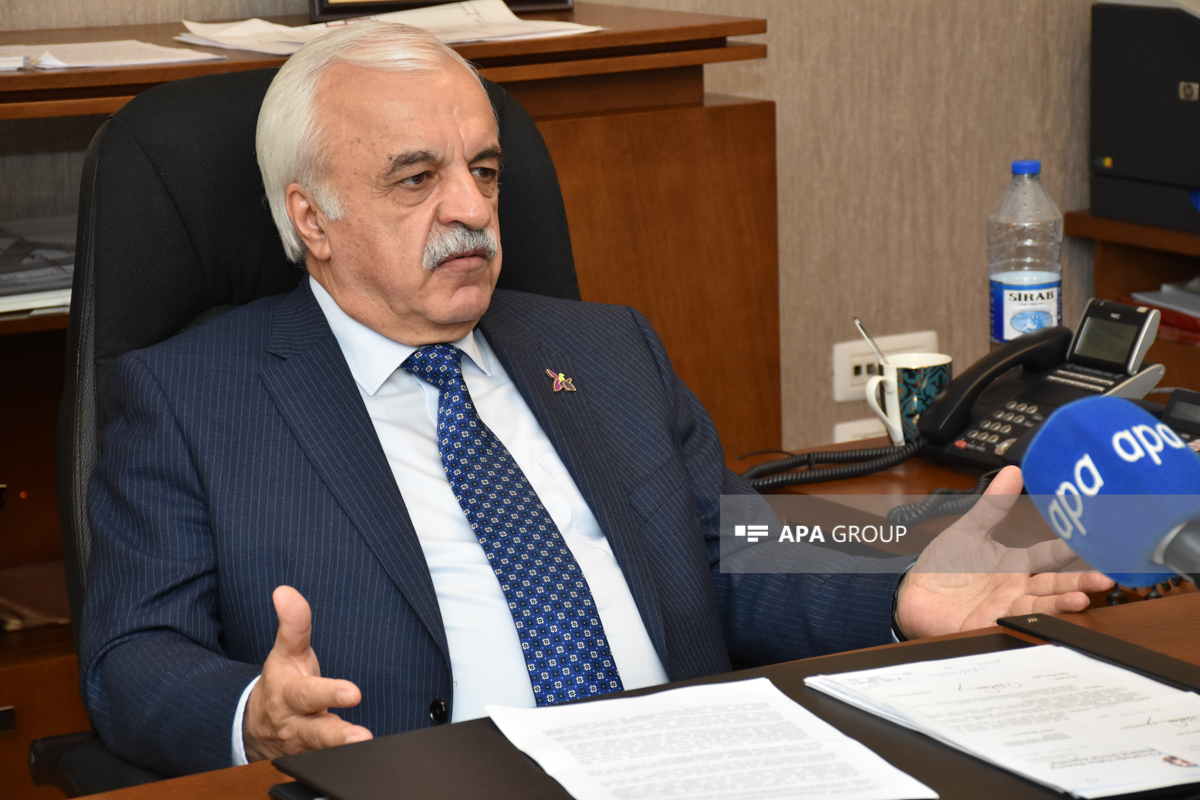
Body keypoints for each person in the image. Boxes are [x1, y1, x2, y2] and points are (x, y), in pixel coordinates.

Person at [79, 21, 1112, 778]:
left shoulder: (603, 347)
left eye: (485, 170)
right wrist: (253, 713)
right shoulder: (191, 398)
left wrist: (897, 576)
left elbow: (734, 541)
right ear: (313, 217)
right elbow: (132, 652)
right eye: (416, 179)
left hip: (696, 764)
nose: (473, 208)